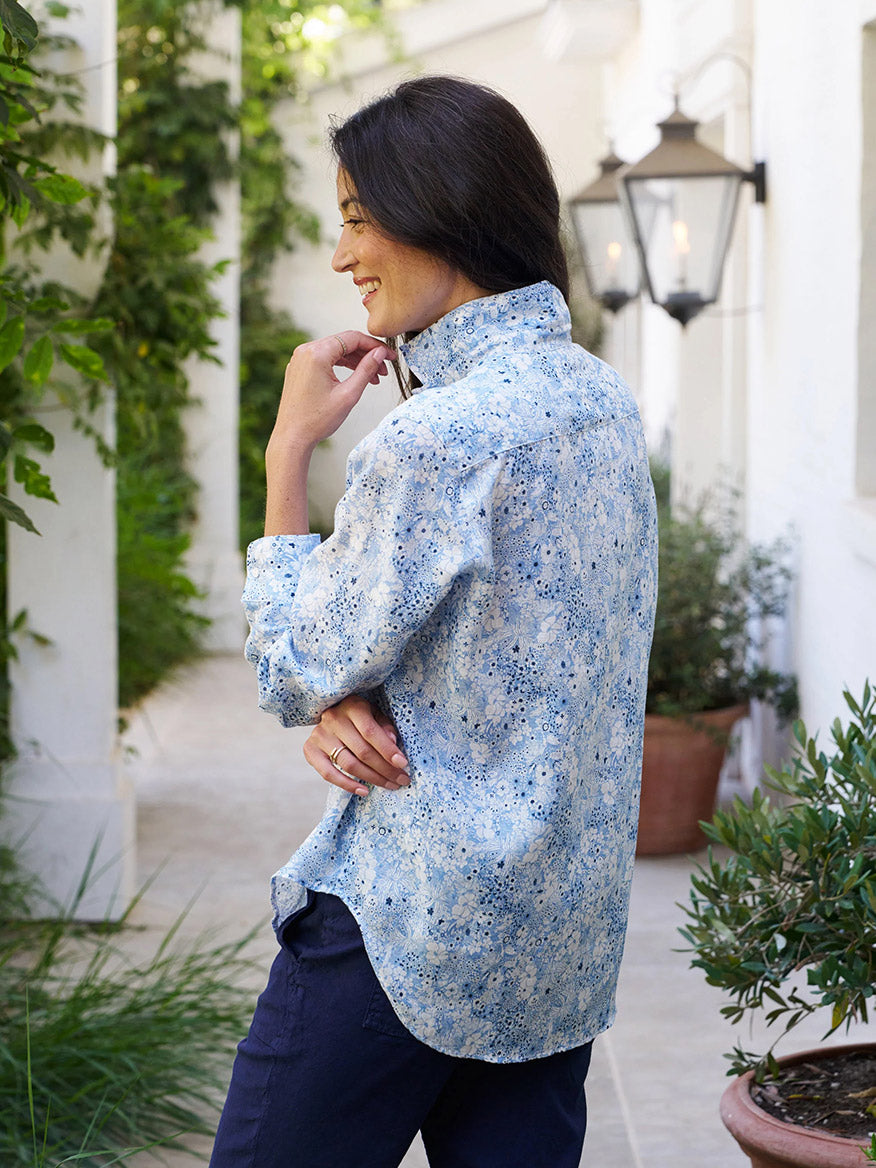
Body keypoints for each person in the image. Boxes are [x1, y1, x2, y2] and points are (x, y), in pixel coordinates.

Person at [210, 76, 658, 1168]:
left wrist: (286, 459)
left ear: (440, 211)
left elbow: (289, 661)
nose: (342, 254)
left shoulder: (439, 440)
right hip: (553, 942)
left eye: (359, 218)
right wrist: (345, 698)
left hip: (408, 929)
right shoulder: (606, 407)